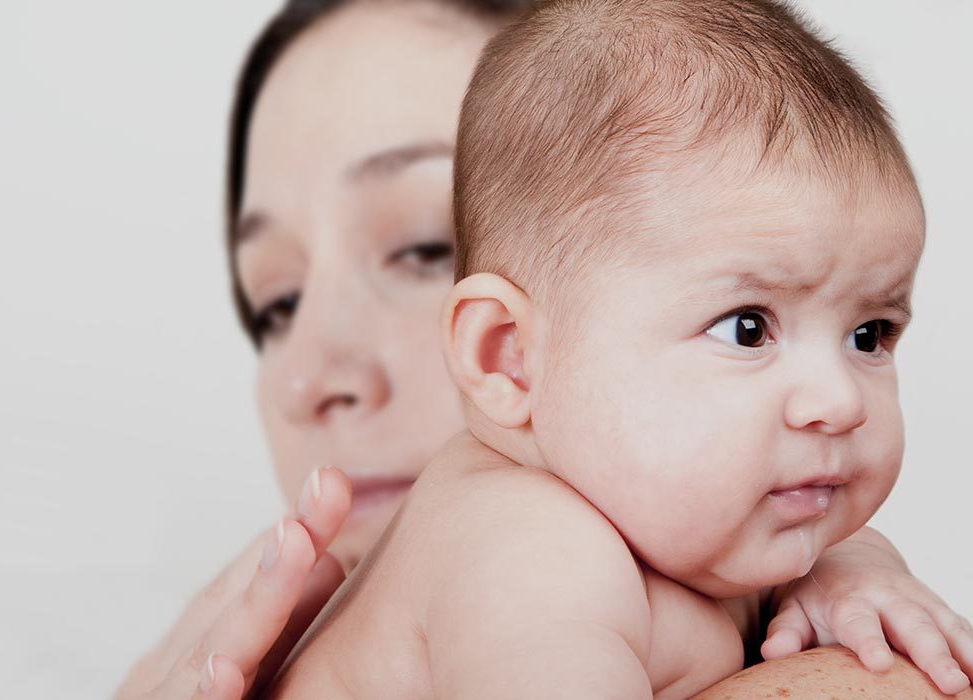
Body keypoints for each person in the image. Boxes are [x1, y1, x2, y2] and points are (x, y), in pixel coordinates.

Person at [113, 1, 972, 698]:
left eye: (871, 334)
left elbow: (809, 548)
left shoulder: (693, 508)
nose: (839, 400)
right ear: (508, 359)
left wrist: (858, 572)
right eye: (748, 328)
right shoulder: (527, 550)